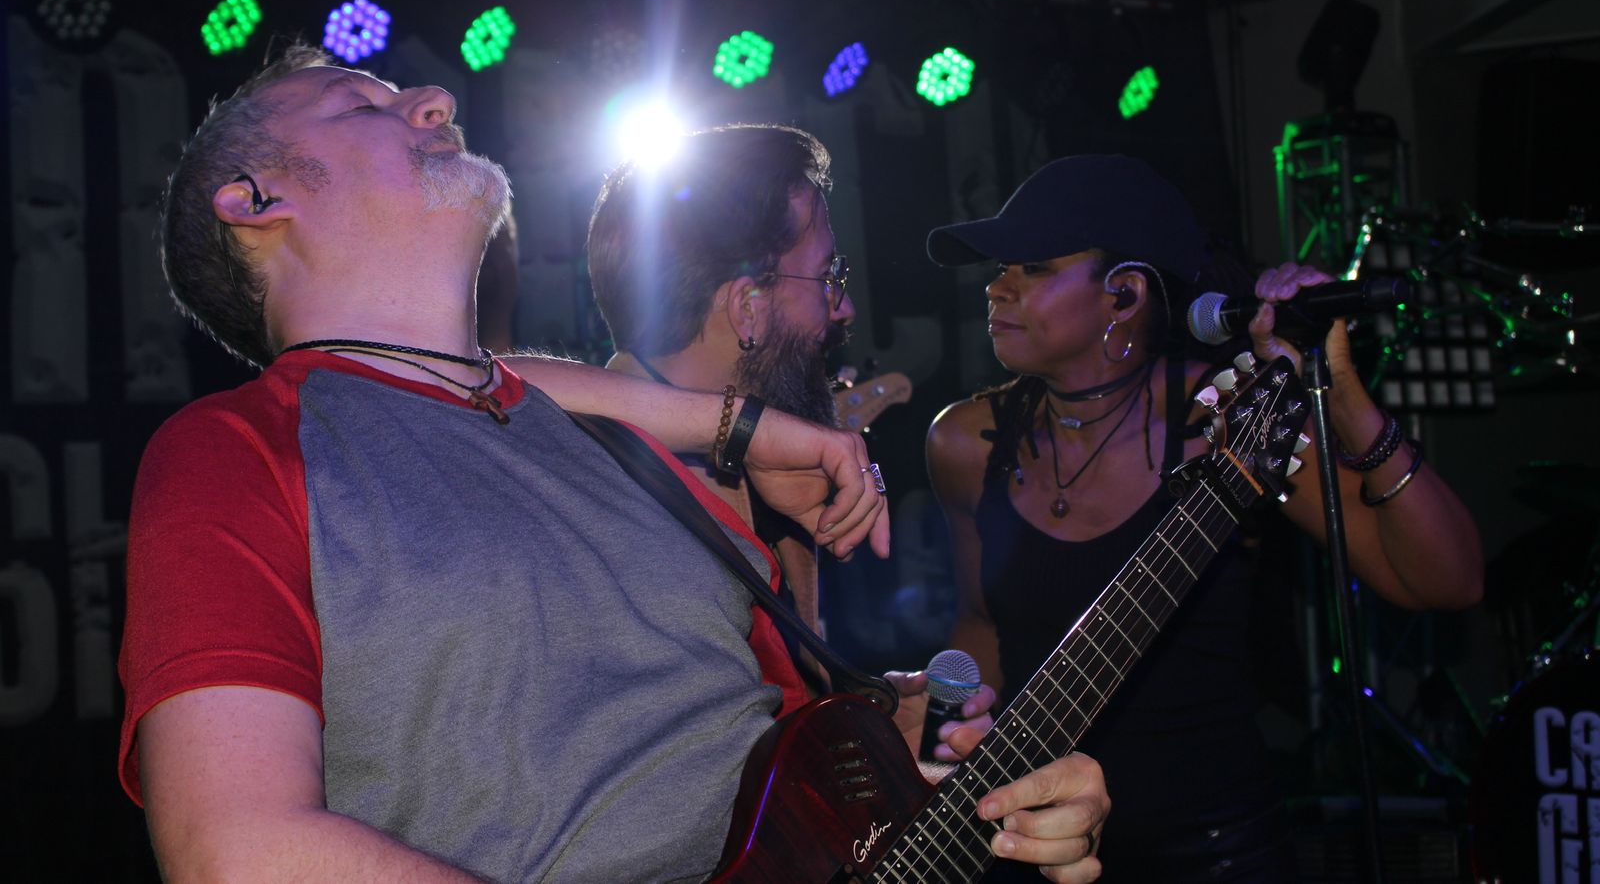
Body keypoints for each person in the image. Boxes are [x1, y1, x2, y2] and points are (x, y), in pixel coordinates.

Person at [117, 45, 1110, 883]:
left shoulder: (614, 444)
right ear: (255, 199)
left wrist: (945, 776)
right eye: (358, 104)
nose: (436, 99)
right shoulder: (237, 447)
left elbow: (764, 761)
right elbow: (234, 847)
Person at [924, 154, 1484, 883]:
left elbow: (1446, 580)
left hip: (1216, 852)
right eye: (1000, 268)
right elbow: (976, 624)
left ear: (1124, 294)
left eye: (1032, 267)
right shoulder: (966, 442)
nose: (996, 286)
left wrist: (1343, 393)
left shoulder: (1231, 420)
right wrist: (940, 736)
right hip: (1041, 850)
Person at [586, 123, 1006, 761]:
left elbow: (755, 739)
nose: (845, 308)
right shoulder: (606, 499)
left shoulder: (765, 475)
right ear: (748, 309)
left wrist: (867, 727)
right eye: (828, 275)